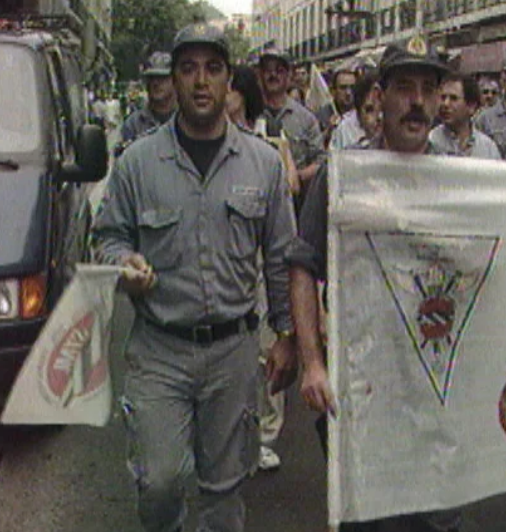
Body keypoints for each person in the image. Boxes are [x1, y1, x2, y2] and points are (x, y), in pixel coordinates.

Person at [93, 24, 298, 532]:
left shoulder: (263, 163)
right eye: (187, 69)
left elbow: (280, 257)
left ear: (230, 81)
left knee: (225, 490)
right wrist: (123, 264)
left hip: (233, 352)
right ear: (173, 79)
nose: (199, 81)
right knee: (159, 481)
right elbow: (108, 236)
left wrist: (288, 335)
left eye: (212, 69)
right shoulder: (138, 163)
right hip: (159, 350)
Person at [286, 36, 462, 532]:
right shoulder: (343, 177)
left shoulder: (461, 183)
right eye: (404, 87)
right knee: (369, 518)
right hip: (363, 384)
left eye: (429, 89)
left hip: (434, 389)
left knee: (436, 518)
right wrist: (313, 362)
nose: (418, 102)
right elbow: (303, 265)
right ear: (379, 97)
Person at [226, 64, 294, 472]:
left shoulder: (266, 145)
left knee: (268, 355)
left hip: (264, 270)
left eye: (231, 89)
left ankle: (266, 435)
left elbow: (287, 199)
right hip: (231, 272)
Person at [257, 46, 324, 205]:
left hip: (295, 205)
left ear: (288, 76)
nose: (273, 75)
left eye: (279, 70)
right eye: (268, 70)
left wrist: (298, 176)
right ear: (260, 75)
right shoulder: (251, 115)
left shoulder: (306, 119)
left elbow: (321, 160)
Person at [430, 72, 501, 159]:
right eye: (443, 97)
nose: (445, 104)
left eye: (453, 98)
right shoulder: (430, 142)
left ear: (471, 106)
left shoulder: (488, 148)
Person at [120, 51, 176, 144]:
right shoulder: (133, 124)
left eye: (162, 78)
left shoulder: (187, 121)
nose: (156, 83)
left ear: (175, 81)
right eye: (151, 78)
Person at [329, 72, 381, 150]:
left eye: (384, 109)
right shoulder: (344, 129)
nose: (379, 116)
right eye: (369, 110)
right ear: (358, 114)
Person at [316, 68, 357, 135]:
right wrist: (328, 131)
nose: (348, 93)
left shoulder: (363, 112)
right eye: (343, 88)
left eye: (352, 87)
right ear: (333, 91)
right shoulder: (321, 117)